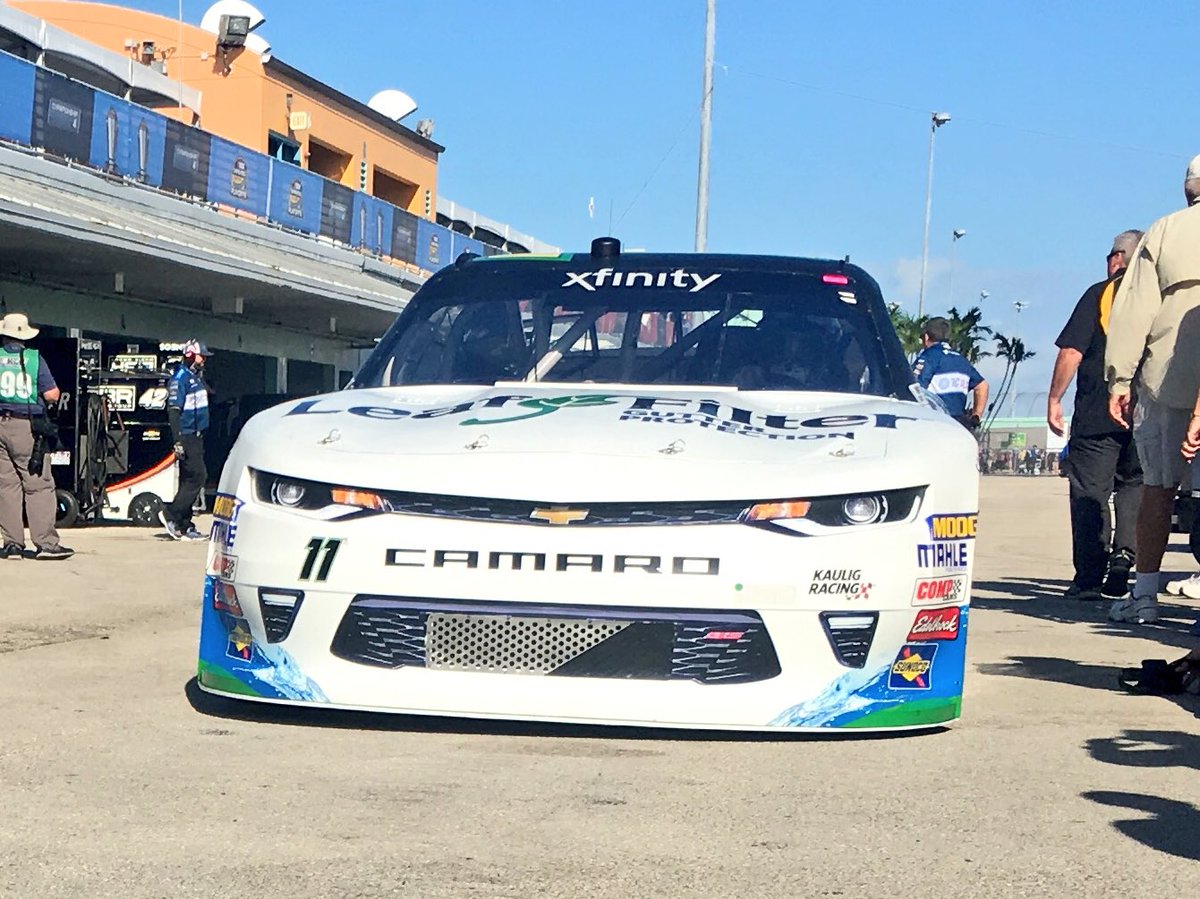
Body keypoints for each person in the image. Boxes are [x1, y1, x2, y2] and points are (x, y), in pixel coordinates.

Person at [1105, 155, 1200, 624]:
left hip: (1169, 377)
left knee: (1159, 488)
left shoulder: (1164, 231)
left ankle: (1144, 594)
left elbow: (1134, 309)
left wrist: (1119, 377)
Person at [1048, 231, 1144, 600]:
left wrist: (1054, 398)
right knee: (1135, 485)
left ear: (1119, 257)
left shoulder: (1101, 293)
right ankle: (1124, 557)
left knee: (1090, 491)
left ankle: (1090, 575)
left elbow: (1071, 351)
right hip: (1145, 410)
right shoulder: (1159, 296)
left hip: (1096, 412)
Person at [0, 312, 73, 560]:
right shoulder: (33, 359)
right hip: (26, 427)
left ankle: (12, 544)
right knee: (38, 485)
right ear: (23, 336)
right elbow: (52, 394)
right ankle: (46, 543)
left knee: (7, 486)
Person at [160, 339, 213, 541]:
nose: (204, 360)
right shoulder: (180, 378)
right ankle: (171, 513)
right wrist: (178, 440)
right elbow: (173, 411)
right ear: (191, 355)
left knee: (187, 480)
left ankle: (184, 524)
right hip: (187, 435)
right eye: (202, 356)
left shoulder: (195, 377)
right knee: (199, 476)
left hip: (198, 435)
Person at [911, 317, 988, 431]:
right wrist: (976, 415)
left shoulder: (929, 356)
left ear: (926, 337)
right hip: (958, 425)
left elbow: (914, 386)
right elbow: (982, 386)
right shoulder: (961, 360)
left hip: (935, 423)